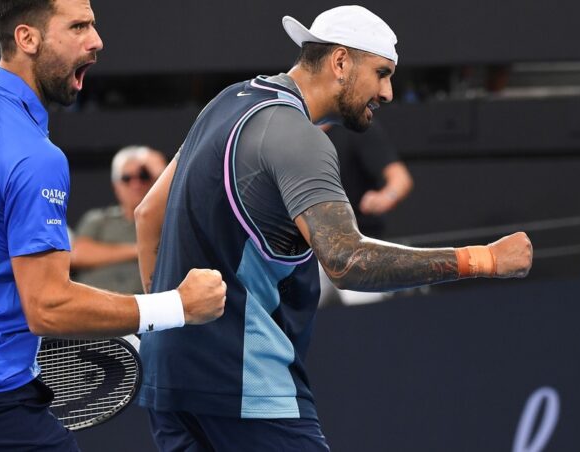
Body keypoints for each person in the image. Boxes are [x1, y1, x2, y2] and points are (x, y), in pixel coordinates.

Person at [134, 6, 532, 451]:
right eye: (381, 73)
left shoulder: (229, 99)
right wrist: (484, 259)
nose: (388, 92)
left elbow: (148, 214)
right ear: (340, 62)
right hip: (245, 387)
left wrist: (168, 325)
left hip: (167, 383)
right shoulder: (301, 138)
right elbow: (347, 262)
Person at [0, 1, 225, 450]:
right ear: (27, 39)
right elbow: (48, 306)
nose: (97, 40)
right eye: (78, 27)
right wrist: (177, 307)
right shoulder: (35, 157)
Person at [319, 120, 414, 305]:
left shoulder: (356, 129)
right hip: (310, 249)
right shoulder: (290, 132)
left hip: (357, 247)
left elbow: (400, 178)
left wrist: (386, 197)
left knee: (366, 317)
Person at [71, 146, 167, 294]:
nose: (136, 184)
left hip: (144, 310)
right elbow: (78, 254)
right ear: (116, 186)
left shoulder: (165, 222)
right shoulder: (98, 219)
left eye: (143, 176)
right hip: (93, 306)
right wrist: (140, 250)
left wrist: (162, 175)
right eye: (127, 178)